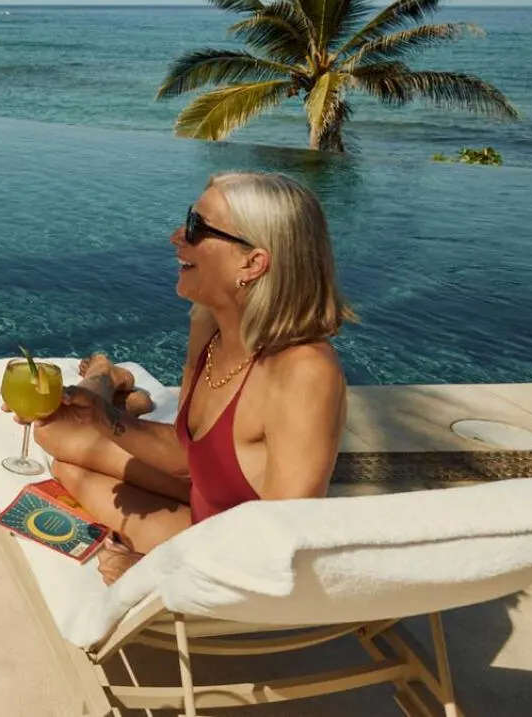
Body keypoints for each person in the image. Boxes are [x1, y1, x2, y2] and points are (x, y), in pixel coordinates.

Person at [31, 171, 350, 585]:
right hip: (206, 502)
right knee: (54, 438)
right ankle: (108, 383)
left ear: (253, 263)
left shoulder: (304, 372)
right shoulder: (211, 326)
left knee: (70, 471)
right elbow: (187, 456)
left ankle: (109, 377)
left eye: (198, 227)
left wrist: (158, 575)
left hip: (231, 555)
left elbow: (282, 542)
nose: (176, 236)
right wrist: (100, 418)